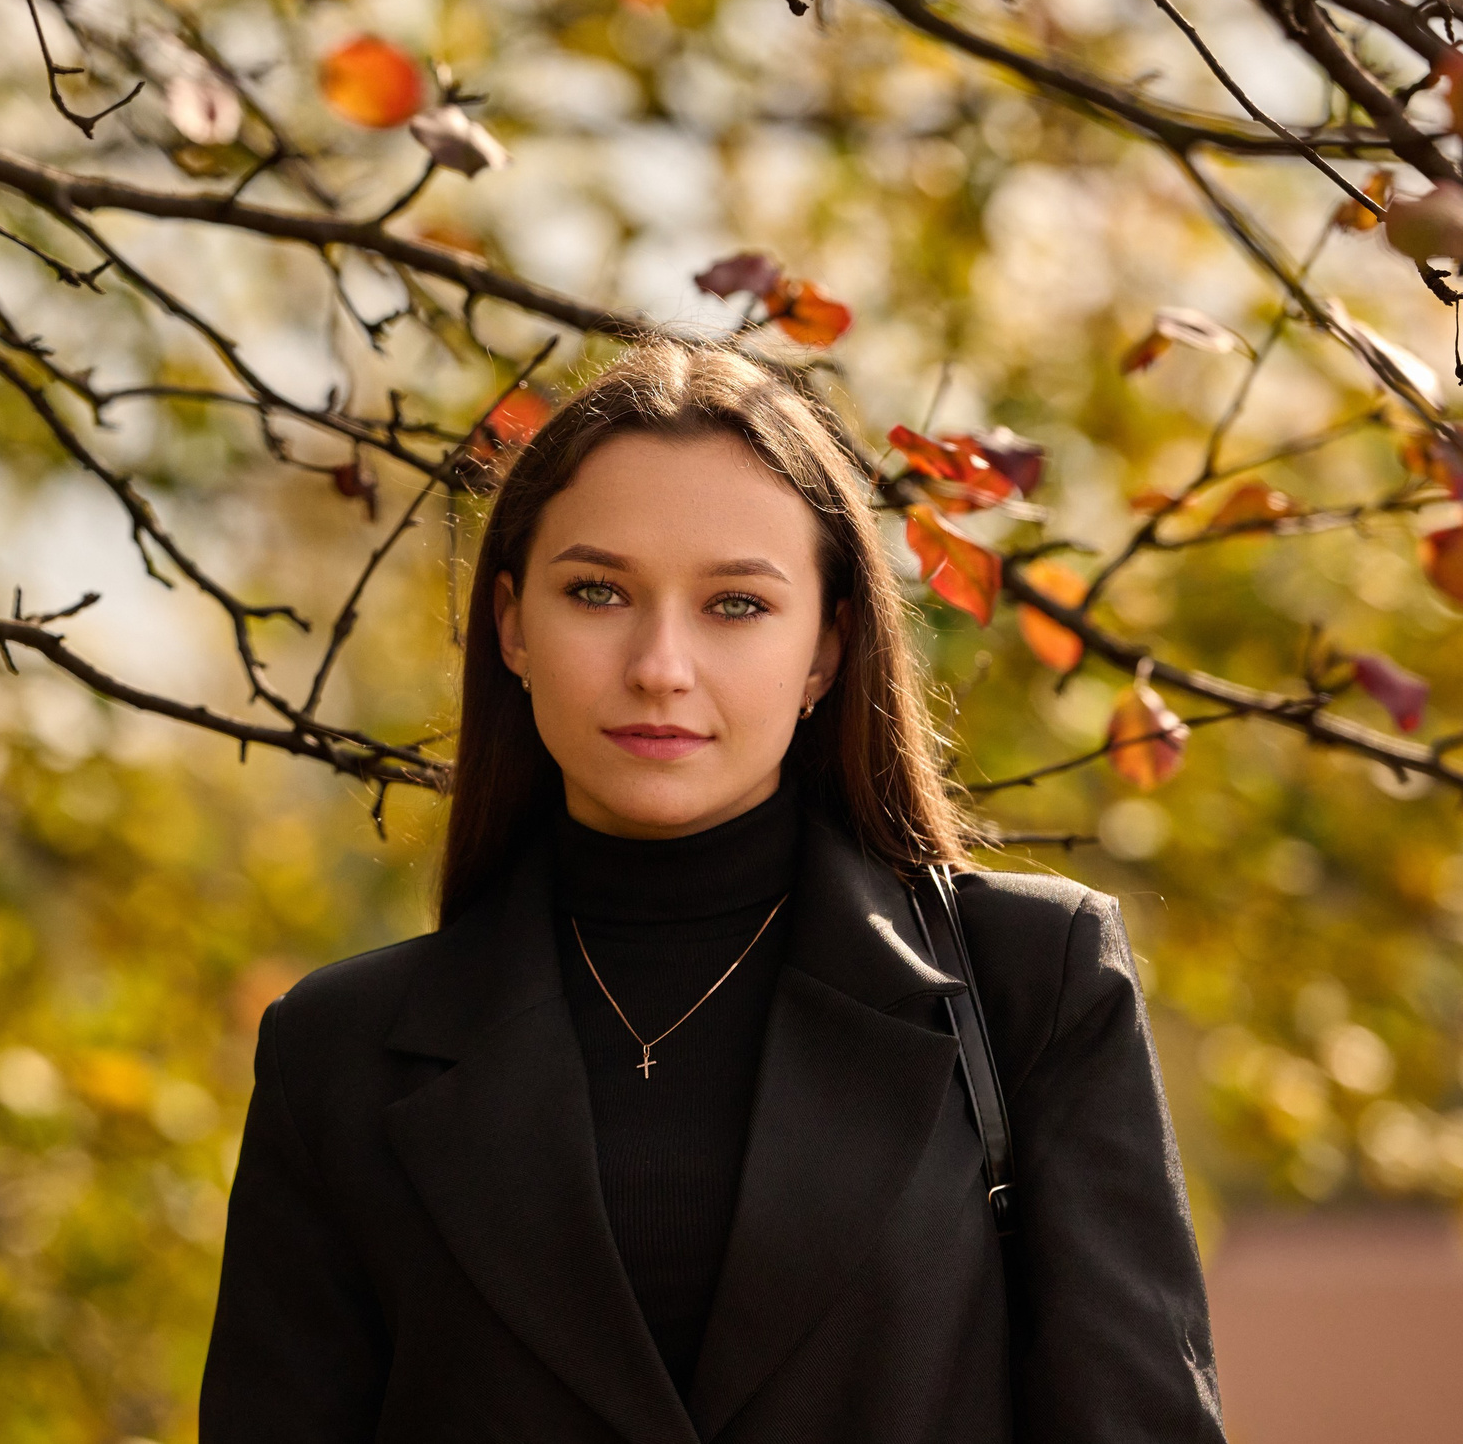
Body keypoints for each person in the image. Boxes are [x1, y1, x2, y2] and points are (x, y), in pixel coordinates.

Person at [198, 338, 1225, 1443]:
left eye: (735, 605)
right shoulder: (338, 1053)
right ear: (509, 626)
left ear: (826, 651)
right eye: (596, 592)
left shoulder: (1033, 984)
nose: (660, 665)